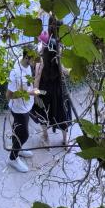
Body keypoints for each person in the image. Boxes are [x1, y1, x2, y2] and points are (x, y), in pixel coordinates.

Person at [34, 16, 72, 146]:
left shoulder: (56, 44)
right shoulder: (45, 42)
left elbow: (66, 72)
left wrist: (60, 61)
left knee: (58, 110)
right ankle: (49, 137)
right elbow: (39, 69)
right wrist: (35, 91)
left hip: (53, 85)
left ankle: (59, 138)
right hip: (49, 85)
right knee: (50, 110)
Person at [6, 47, 41, 172]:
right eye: (33, 60)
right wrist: (30, 93)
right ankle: (12, 158)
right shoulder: (15, 73)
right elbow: (8, 95)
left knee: (17, 129)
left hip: (26, 105)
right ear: (27, 57)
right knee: (24, 134)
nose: (35, 63)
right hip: (19, 108)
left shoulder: (24, 61)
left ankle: (17, 149)